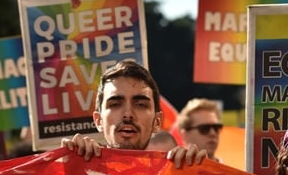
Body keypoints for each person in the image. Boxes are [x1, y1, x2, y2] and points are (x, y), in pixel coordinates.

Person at [61, 59, 205, 167]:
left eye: (140, 105)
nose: (128, 114)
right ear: (98, 121)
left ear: (157, 121)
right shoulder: (74, 170)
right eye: (115, 104)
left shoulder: (186, 174)